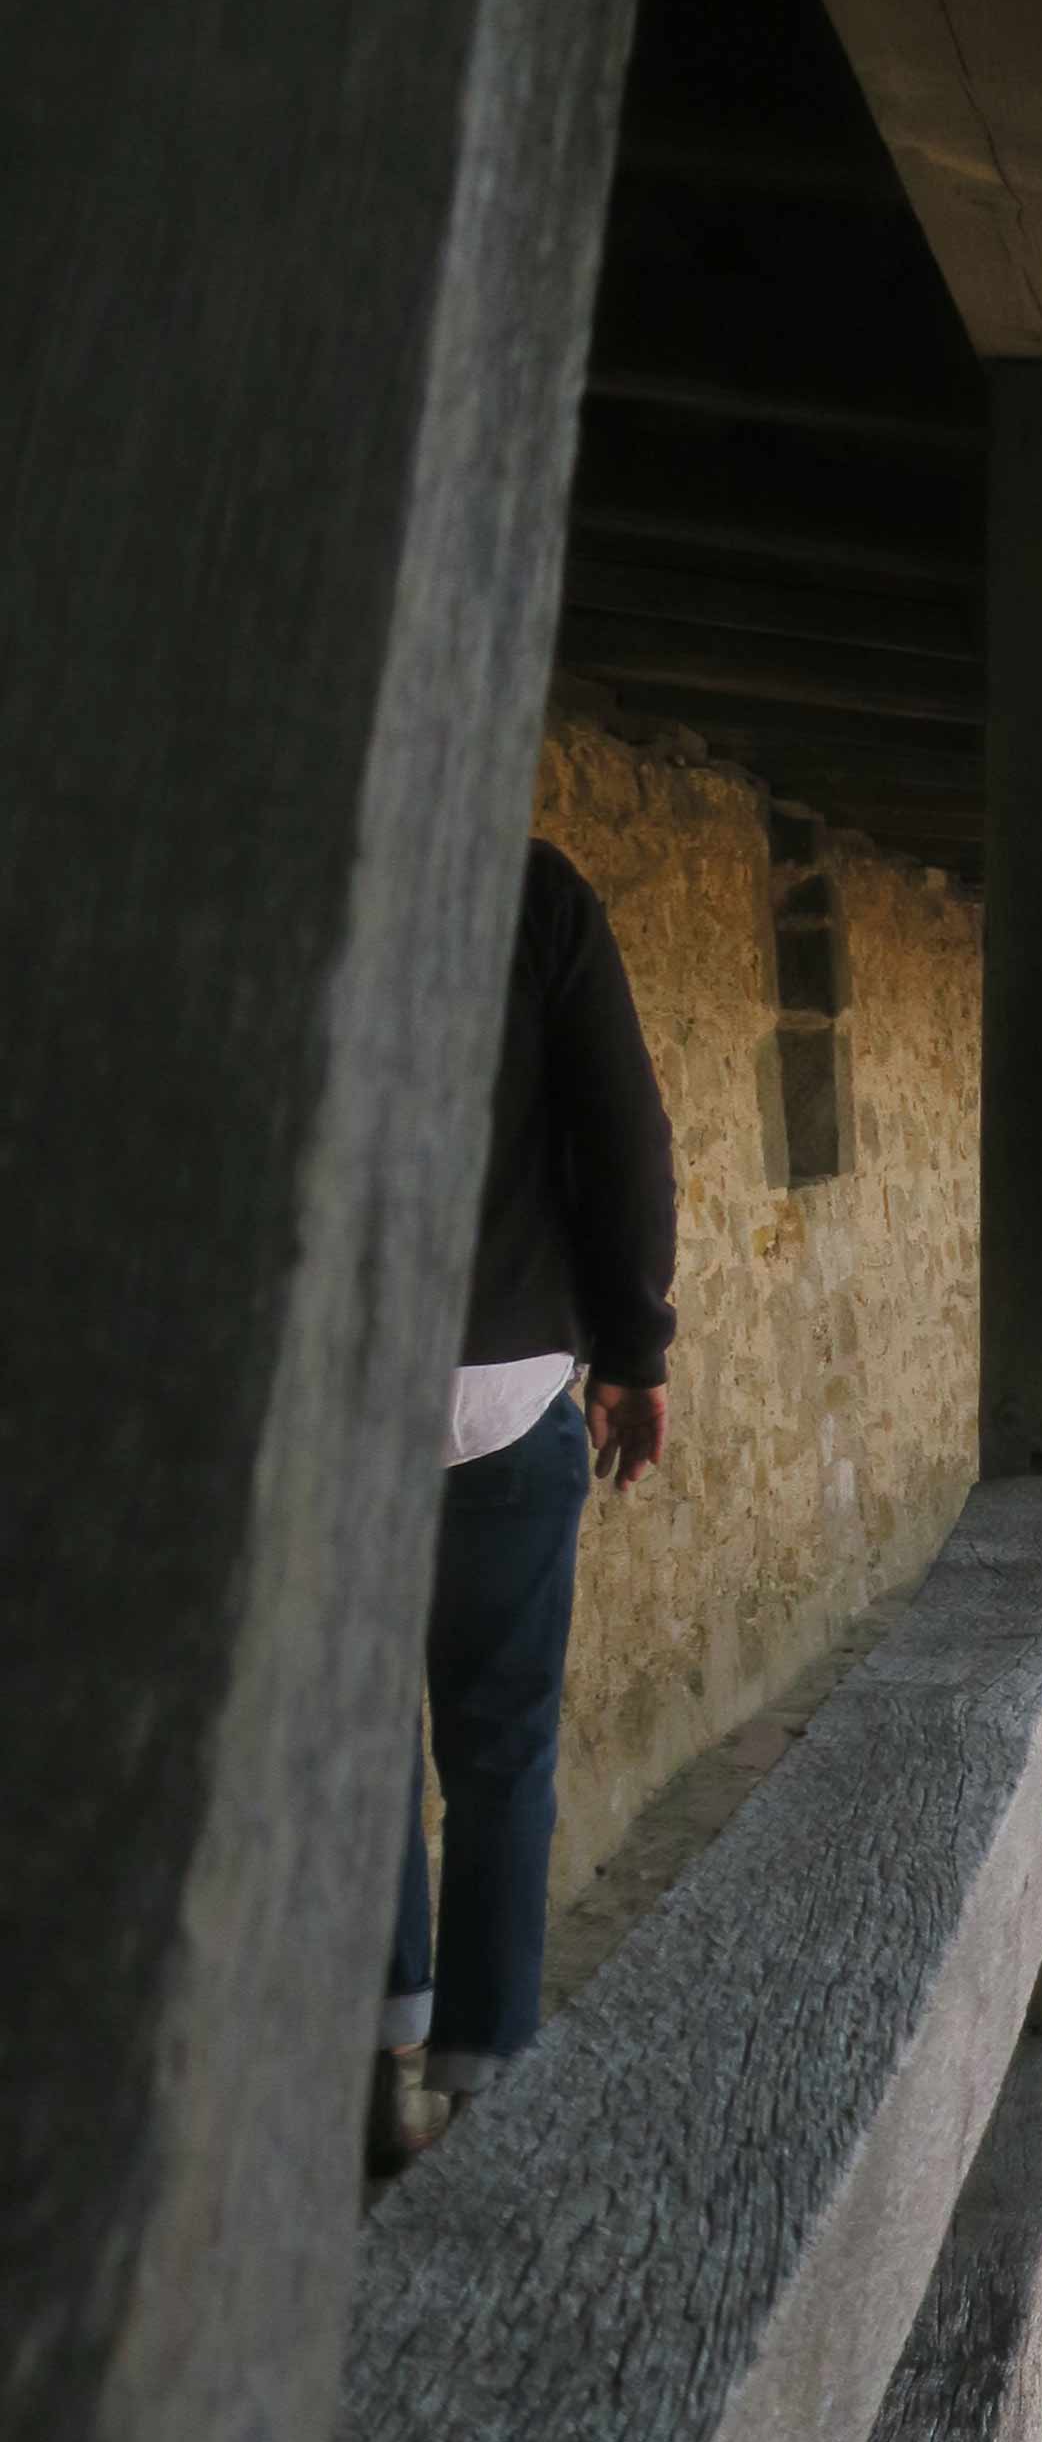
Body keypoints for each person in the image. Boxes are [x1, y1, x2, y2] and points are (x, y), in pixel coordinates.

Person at [372, 840, 678, 2176]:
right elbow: (623, 1136)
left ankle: (379, 2054)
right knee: (500, 1748)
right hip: (499, 1386)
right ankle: (481, 2073)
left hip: (321, 1383)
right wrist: (634, 1353)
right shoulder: (530, 888)